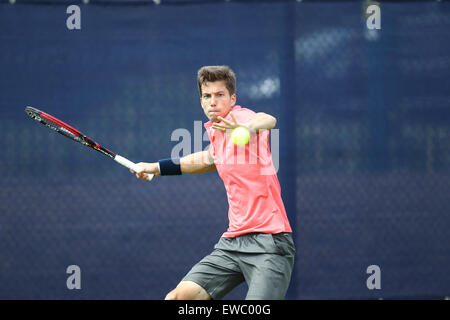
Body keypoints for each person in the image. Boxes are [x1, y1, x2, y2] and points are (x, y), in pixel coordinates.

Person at [131, 65, 295, 300]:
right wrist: (156, 168)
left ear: (232, 98)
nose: (213, 101)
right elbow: (207, 159)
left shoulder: (240, 117)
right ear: (201, 101)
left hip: (269, 242)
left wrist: (245, 128)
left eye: (220, 95)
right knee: (178, 299)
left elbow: (268, 119)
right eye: (207, 96)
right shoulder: (218, 134)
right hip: (233, 242)